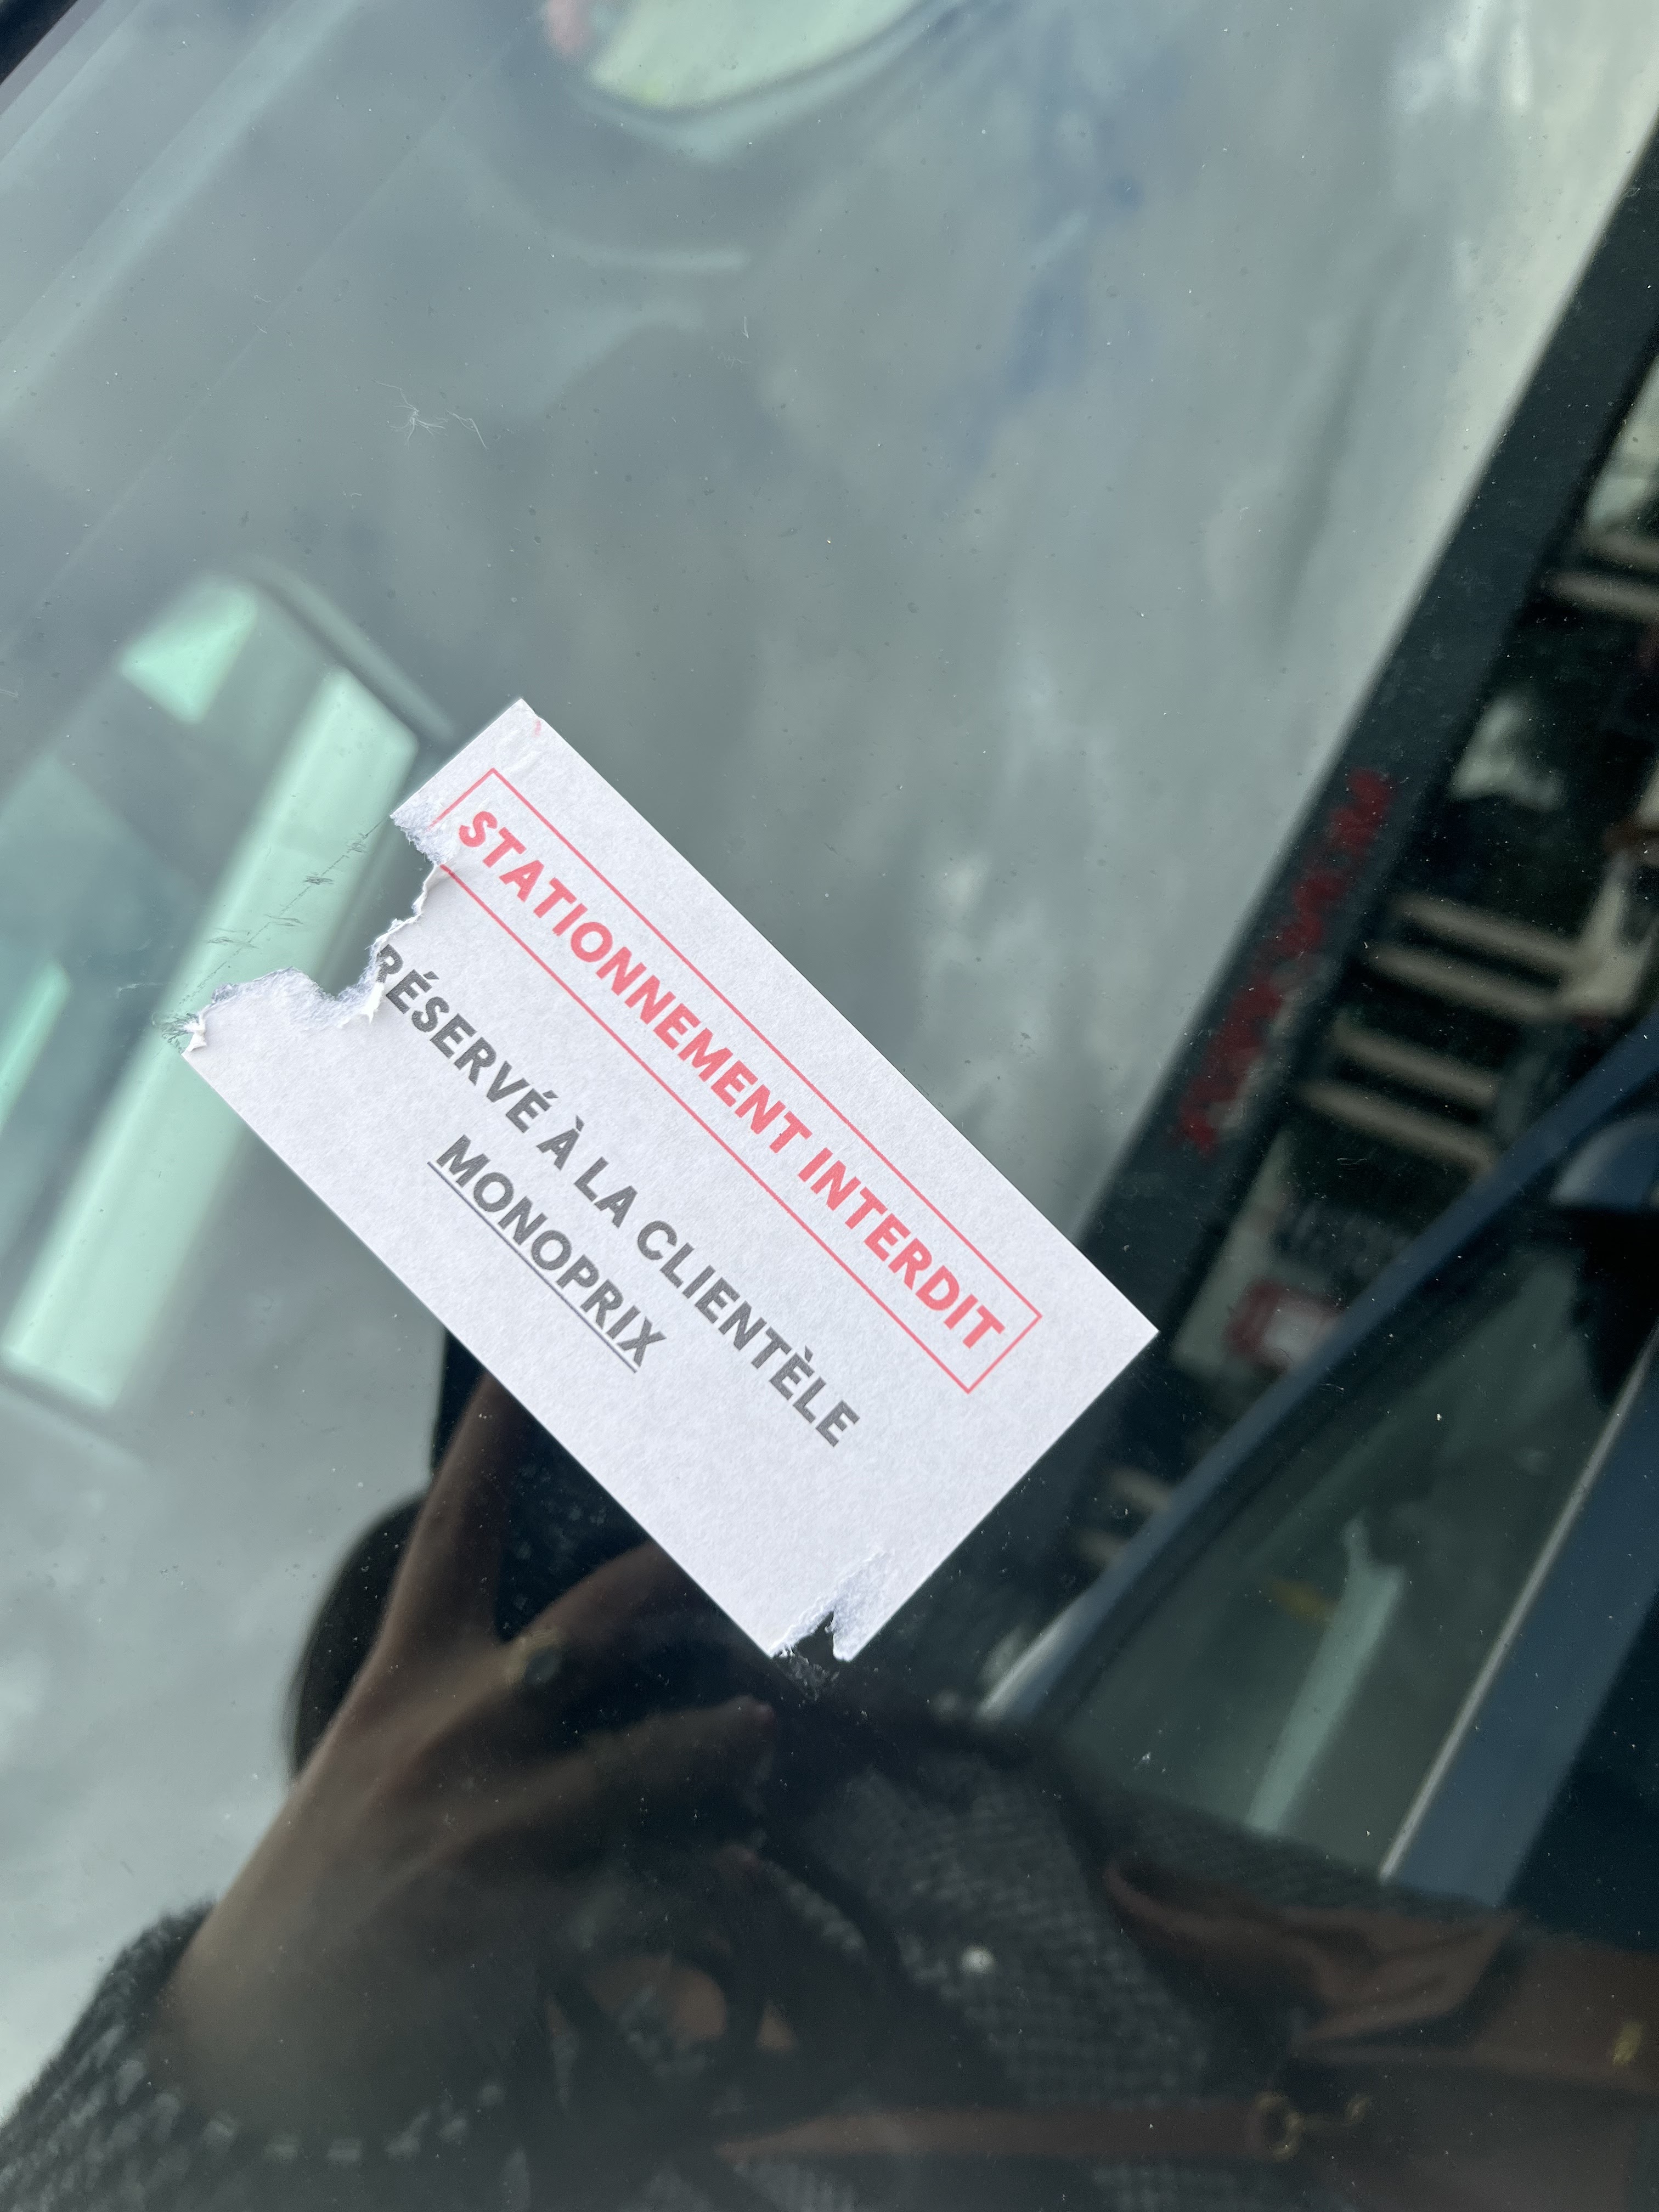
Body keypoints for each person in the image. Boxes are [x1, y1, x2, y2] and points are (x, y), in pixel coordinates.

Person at [0, 1372, 1633, 2212]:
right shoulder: (534, 2154)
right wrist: (223, 2076)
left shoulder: (938, 1808)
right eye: (525, 1713)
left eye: (616, 1643)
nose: (598, 1713)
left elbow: (1388, 1954)